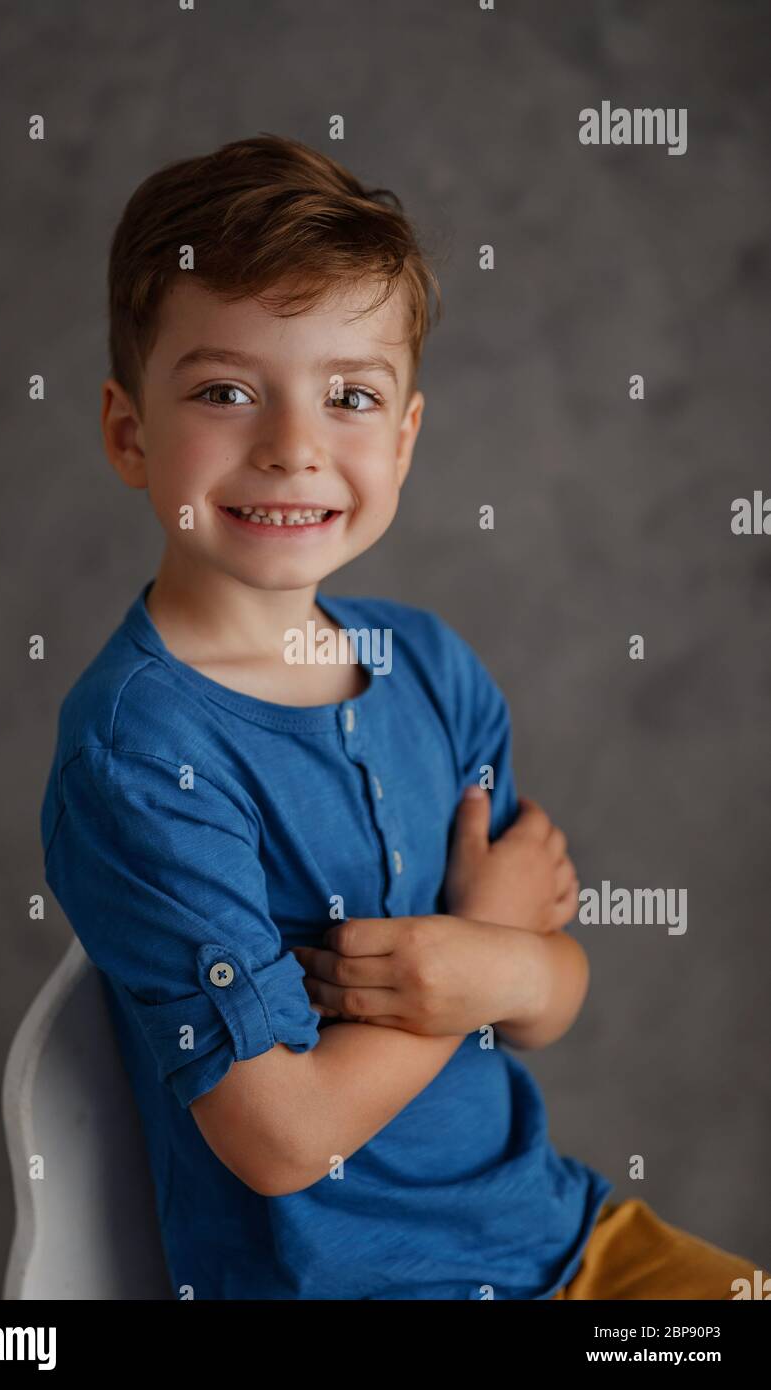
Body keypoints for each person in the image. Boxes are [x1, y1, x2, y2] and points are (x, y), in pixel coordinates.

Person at [40, 134, 766, 1300]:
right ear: (131, 435)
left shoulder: (429, 667)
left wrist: (500, 961)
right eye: (226, 391)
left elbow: (548, 993)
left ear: (405, 436)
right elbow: (281, 1141)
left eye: (348, 396)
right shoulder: (140, 753)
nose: (291, 447)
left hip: (559, 1243)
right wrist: (465, 967)